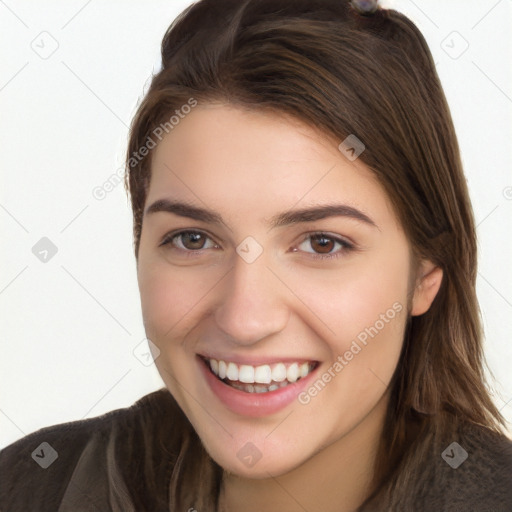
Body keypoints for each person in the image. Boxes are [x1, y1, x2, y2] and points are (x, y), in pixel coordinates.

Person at [1, 0, 511, 510]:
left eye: (322, 243)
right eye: (193, 239)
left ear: (425, 275)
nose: (245, 320)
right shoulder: (29, 489)